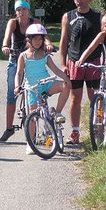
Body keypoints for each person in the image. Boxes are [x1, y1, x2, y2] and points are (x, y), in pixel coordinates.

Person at [0, 0, 54, 142]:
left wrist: (48, 43)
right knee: (12, 93)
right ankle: (9, 128)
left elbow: (45, 36)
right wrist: (5, 46)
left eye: (23, 9)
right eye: (18, 10)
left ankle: (38, 123)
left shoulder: (35, 22)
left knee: (37, 90)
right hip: (16, 59)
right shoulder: (13, 23)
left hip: (32, 60)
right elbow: (6, 37)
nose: (21, 12)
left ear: (28, 10)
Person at [14, 24, 71, 154]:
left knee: (65, 86)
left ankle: (57, 113)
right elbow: (19, 73)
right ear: (29, 40)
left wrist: (66, 79)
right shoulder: (23, 56)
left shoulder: (45, 55)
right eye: (35, 39)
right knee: (32, 118)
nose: (38, 42)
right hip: (32, 89)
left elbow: (55, 70)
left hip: (46, 84)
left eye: (40, 39)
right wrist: (17, 86)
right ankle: (30, 142)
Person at [59, 0, 102, 145]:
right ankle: (75, 132)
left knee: (95, 98)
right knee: (75, 98)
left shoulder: (98, 17)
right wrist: (63, 63)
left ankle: (98, 128)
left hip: (93, 62)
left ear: (89, 0)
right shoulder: (68, 16)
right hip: (74, 62)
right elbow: (64, 42)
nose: (79, 0)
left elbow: (105, 37)